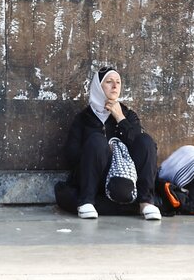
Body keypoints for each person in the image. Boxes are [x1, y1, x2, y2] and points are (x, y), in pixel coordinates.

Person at [63, 66, 162, 220]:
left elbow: (139, 146)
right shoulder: (83, 118)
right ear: (98, 87)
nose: (115, 86)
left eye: (118, 82)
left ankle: (146, 202)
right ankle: (87, 201)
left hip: (125, 178)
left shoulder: (127, 114)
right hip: (96, 178)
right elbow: (71, 155)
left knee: (146, 140)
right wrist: (100, 151)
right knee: (96, 141)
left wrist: (120, 118)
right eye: (109, 82)